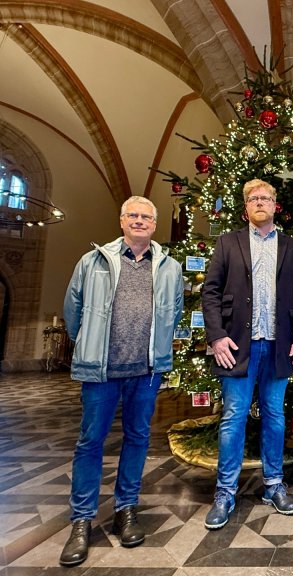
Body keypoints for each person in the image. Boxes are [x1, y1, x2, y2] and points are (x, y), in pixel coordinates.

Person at [60, 196, 184, 567]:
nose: (140, 221)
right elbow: (73, 310)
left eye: (147, 216)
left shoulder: (170, 267)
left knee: (138, 438)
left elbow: (174, 311)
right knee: (90, 441)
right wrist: (90, 343)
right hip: (102, 370)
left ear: (154, 224)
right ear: (121, 220)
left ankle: (126, 509)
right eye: (134, 215)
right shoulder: (93, 262)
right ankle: (81, 520)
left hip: (146, 371)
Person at [201, 178, 293, 528]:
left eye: (265, 197)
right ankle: (225, 492)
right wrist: (217, 337)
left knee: (275, 417)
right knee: (233, 418)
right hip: (237, 347)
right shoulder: (227, 242)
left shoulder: (292, 248)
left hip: (278, 347)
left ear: (275, 205)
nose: (260, 202)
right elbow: (211, 292)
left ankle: (274, 485)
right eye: (253, 198)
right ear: (246, 206)